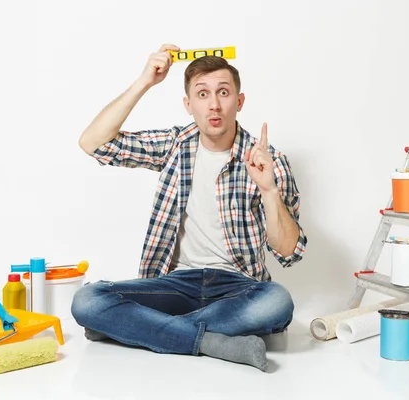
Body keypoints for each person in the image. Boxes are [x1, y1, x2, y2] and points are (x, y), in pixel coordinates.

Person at [71, 44, 307, 372]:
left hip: (238, 286)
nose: (214, 104)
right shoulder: (174, 145)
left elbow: (289, 252)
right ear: (188, 105)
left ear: (239, 102)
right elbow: (93, 143)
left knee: (278, 303)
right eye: (202, 94)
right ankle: (211, 342)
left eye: (224, 92)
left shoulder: (269, 161)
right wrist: (144, 82)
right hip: (174, 283)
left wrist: (268, 189)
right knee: (87, 299)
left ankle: (139, 329)